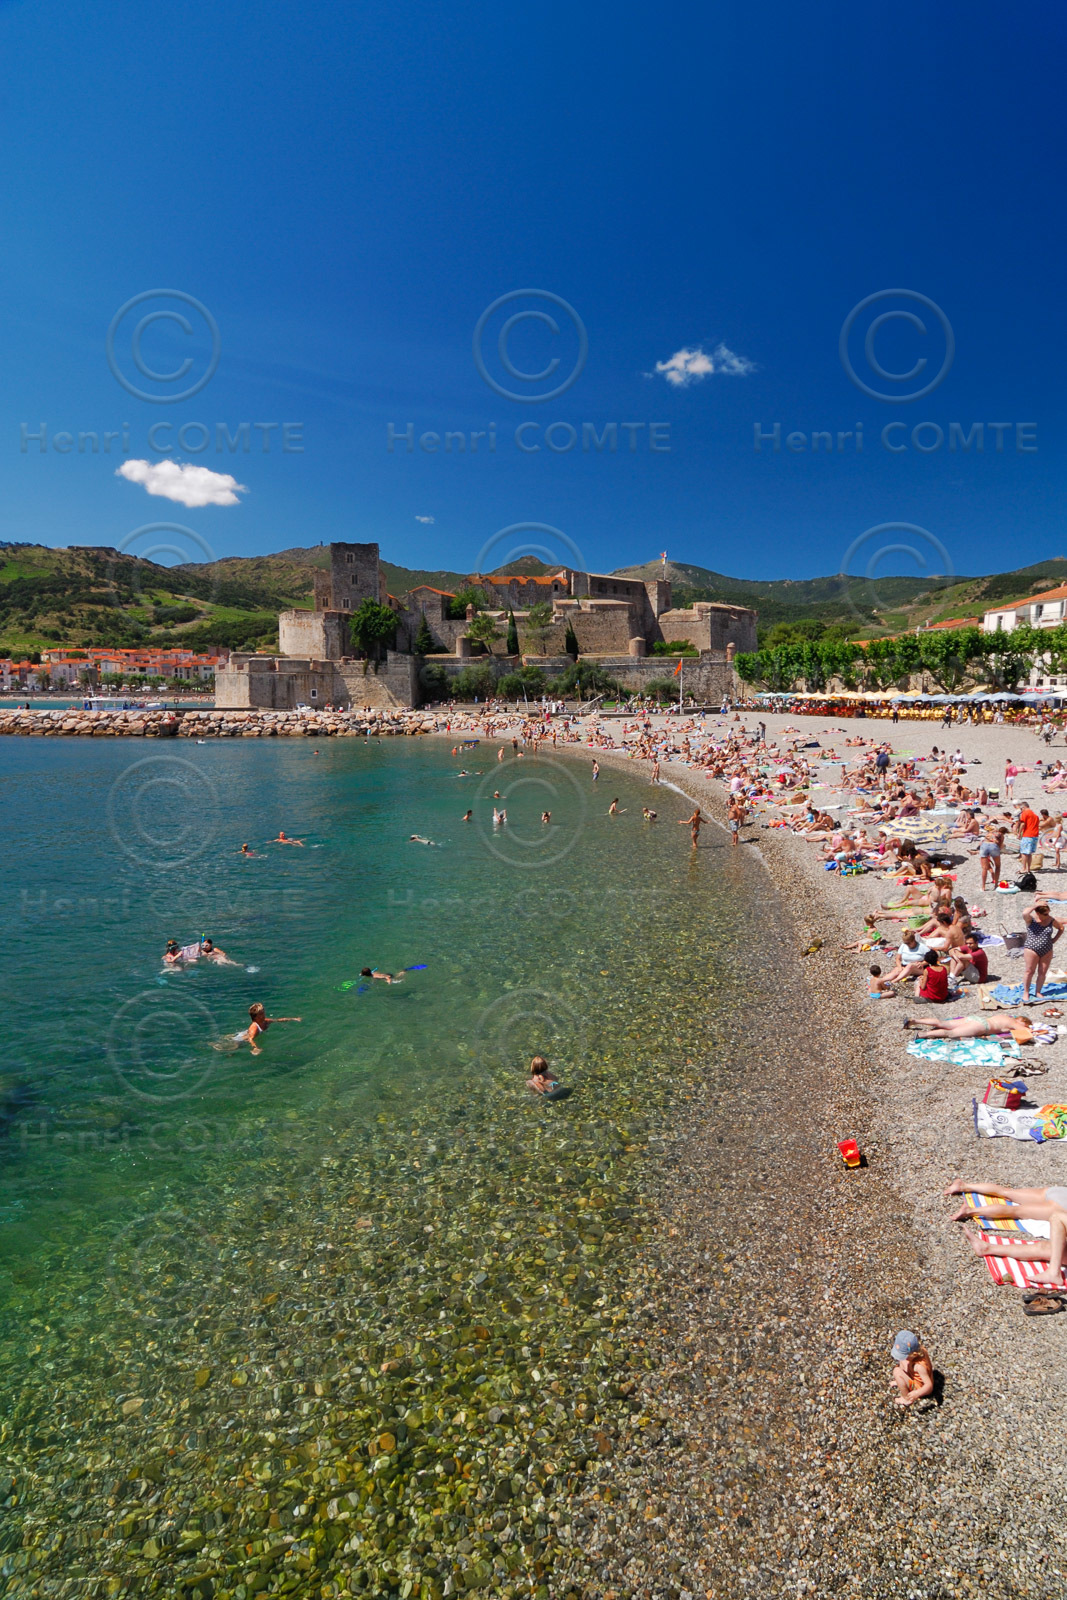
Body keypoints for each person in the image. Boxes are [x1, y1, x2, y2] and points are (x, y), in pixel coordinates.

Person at [947, 1180, 1067, 1288]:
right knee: (1016, 1211)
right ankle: (970, 1211)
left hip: (1061, 1193)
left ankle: (964, 1185)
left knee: (1007, 1192)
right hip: (1060, 1207)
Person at [1021, 899, 1064, 1002]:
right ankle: (1026, 992)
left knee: (1042, 972)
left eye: (1048, 913)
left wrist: (1054, 940)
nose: (1047, 915)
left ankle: (1038, 991)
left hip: (1047, 949)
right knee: (1029, 971)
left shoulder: (1050, 919)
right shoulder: (1031, 919)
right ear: (1037, 912)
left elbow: (1061, 928)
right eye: (1045, 913)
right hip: (1032, 948)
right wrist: (1035, 905)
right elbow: (1025, 912)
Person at [228, 1002, 302, 1055]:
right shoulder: (254, 1027)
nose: (264, 1015)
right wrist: (255, 1048)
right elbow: (250, 1039)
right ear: (255, 1017)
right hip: (241, 1039)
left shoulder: (265, 1021)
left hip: (246, 1034)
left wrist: (293, 1019)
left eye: (263, 1012)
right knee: (234, 1050)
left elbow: (278, 1020)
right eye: (261, 1014)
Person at [889, 1331, 934, 1408]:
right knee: (902, 1361)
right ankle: (902, 1382)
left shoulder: (919, 1367)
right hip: (914, 1374)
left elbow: (929, 1386)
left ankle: (906, 1398)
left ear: (914, 1354)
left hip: (919, 1386)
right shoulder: (921, 1349)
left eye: (906, 1355)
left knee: (897, 1372)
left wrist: (917, 1393)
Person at [1017, 801, 1041, 867]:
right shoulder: (1035, 815)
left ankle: (1024, 868)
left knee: (1024, 853)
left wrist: (1019, 833)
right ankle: (1028, 869)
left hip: (1027, 835)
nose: (1021, 811)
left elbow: (1023, 824)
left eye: (1021, 809)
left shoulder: (1025, 813)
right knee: (1029, 853)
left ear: (1023, 807)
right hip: (1035, 835)